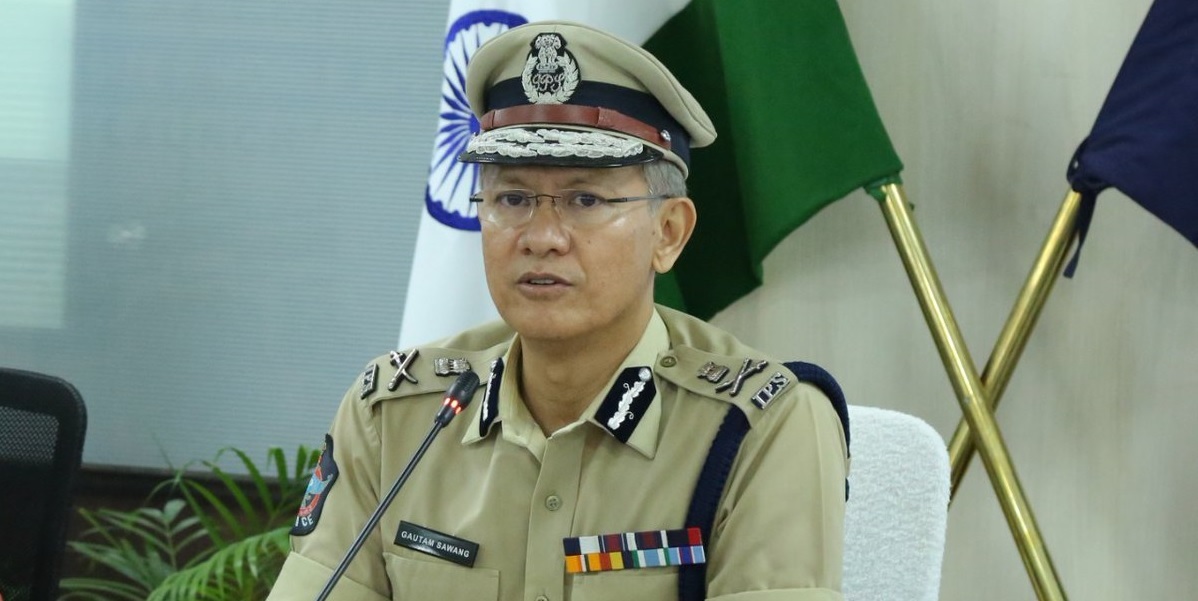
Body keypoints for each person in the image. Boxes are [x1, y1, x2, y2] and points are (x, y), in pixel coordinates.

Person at [267, 20, 848, 601]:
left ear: (668, 232)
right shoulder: (395, 415)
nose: (542, 237)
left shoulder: (759, 427)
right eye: (512, 198)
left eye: (585, 199)